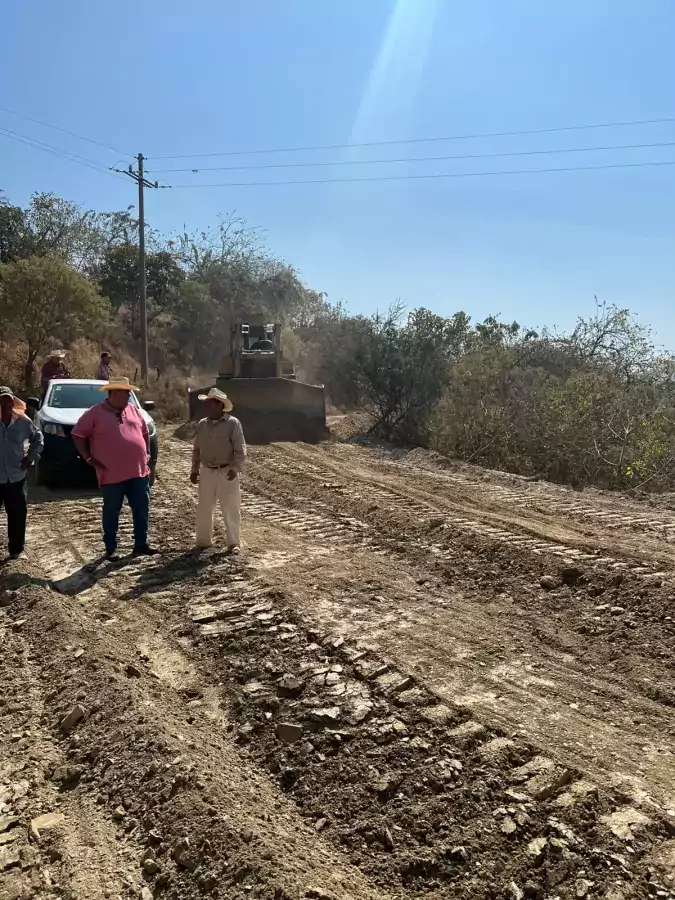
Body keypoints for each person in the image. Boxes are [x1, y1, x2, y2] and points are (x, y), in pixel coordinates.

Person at [72, 377, 158, 561]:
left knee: (142, 508)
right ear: (114, 393)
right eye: (125, 392)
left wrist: (147, 454)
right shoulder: (94, 413)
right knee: (112, 510)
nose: (128, 396)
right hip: (111, 473)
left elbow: (144, 432)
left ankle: (141, 544)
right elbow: (77, 434)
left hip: (138, 471)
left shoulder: (133, 410)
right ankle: (111, 548)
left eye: (128, 392)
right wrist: (88, 458)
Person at [191, 387, 246, 553]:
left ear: (221, 405)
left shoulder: (233, 424)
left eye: (211, 403)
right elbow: (197, 449)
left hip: (226, 470)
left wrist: (235, 468)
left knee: (230, 507)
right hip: (207, 470)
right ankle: (203, 542)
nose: (208, 406)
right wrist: (194, 470)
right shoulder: (202, 425)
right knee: (204, 507)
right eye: (207, 403)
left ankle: (234, 543)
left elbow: (240, 449)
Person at [0, 386, 43, 560]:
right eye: (2, 401)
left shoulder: (23, 422)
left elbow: (38, 438)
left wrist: (30, 458)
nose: (6, 404)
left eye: (9, 400)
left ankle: (16, 551)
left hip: (16, 477)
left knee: (17, 513)